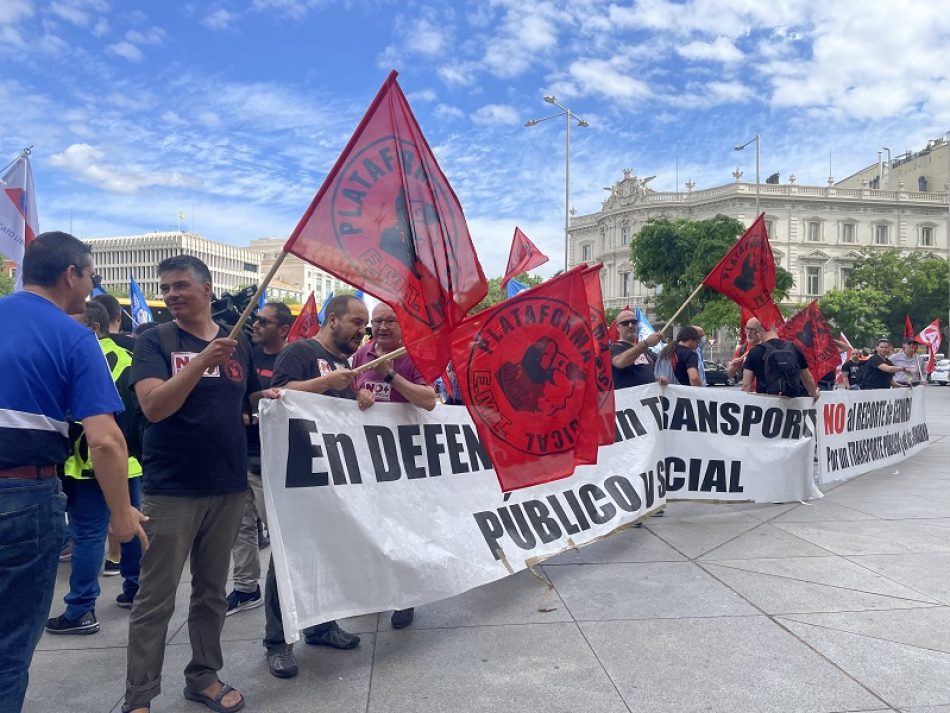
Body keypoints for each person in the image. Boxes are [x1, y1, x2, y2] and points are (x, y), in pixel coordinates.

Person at [0, 231, 146, 713]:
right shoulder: (74, 337)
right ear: (71, 275)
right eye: (91, 276)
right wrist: (122, 517)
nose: (91, 288)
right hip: (24, 493)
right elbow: (105, 439)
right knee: (8, 647)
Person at [123, 256, 273, 713]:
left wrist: (280, 396)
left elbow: (246, 403)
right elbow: (154, 407)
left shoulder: (239, 343)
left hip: (227, 487)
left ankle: (203, 676)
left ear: (208, 289)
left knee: (211, 592)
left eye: (181, 285)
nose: (170, 294)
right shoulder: (154, 341)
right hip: (171, 489)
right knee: (155, 599)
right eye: (165, 288)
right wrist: (202, 362)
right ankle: (140, 697)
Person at [263, 294, 368, 679]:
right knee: (287, 560)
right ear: (333, 319)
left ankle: (321, 626)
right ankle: (278, 642)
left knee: (329, 552)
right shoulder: (299, 352)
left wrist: (360, 399)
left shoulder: (345, 363)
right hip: (299, 477)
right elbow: (276, 398)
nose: (363, 330)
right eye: (356, 322)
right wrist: (325, 382)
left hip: (332, 477)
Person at [45, 302, 145, 636]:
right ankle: (135, 590)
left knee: (87, 535)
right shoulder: (129, 357)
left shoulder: (71, 359)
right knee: (128, 524)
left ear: (95, 328)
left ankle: (81, 609)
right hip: (128, 461)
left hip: (87, 464)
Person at [352, 303, 436, 629]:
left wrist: (390, 374)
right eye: (377, 321)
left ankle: (406, 597)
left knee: (405, 529)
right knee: (370, 526)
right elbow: (353, 385)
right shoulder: (362, 355)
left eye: (389, 321)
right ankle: (374, 589)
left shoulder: (415, 355)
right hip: (369, 459)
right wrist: (359, 392)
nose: (382, 327)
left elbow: (428, 399)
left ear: (403, 325)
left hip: (406, 461)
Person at [225, 302, 293, 616]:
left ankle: (290, 587)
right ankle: (245, 587)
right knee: (241, 527)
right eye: (255, 320)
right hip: (240, 455)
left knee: (279, 531)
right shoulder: (244, 356)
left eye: (264, 321)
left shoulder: (292, 360)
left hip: (273, 461)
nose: (256, 325)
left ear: (283, 329)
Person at [741, 322, 820, 399]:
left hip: (766, 403)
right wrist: (814, 393)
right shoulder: (795, 348)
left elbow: (746, 385)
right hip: (792, 404)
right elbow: (807, 379)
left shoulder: (754, 352)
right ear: (776, 330)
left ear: (760, 331)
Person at [609, 309, 663, 388]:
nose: (630, 325)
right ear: (617, 327)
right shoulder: (614, 348)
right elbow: (619, 362)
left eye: (633, 322)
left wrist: (659, 380)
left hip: (646, 398)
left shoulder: (646, 351)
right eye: (625, 323)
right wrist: (646, 343)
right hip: (626, 399)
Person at [726, 318, 764, 383]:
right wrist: (732, 365)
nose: (749, 332)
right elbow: (730, 374)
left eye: (752, 329)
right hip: (747, 390)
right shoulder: (742, 349)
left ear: (760, 331)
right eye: (747, 328)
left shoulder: (766, 347)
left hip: (763, 391)